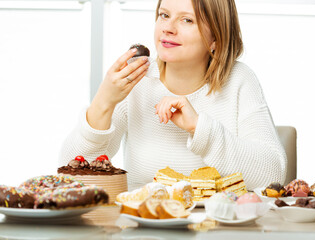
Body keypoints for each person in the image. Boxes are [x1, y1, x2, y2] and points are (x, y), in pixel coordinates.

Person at [59, 0, 287, 190]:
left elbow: (273, 175)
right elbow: (70, 176)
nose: (167, 28)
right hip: (143, 226)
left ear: (216, 37)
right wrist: (103, 102)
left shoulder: (239, 80)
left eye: (187, 19)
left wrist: (199, 128)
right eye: (164, 15)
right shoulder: (137, 78)